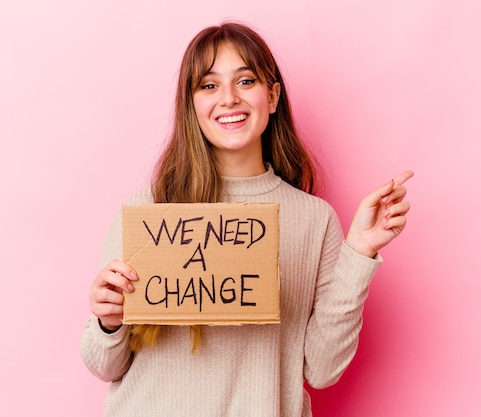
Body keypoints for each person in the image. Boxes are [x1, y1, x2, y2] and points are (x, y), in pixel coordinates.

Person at [80, 22, 413, 417]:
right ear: (192, 105)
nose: (229, 99)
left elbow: (322, 371)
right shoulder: (151, 211)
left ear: (271, 96)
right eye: (208, 85)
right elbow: (104, 365)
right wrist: (108, 321)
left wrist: (358, 252)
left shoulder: (313, 220)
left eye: (246, 81)